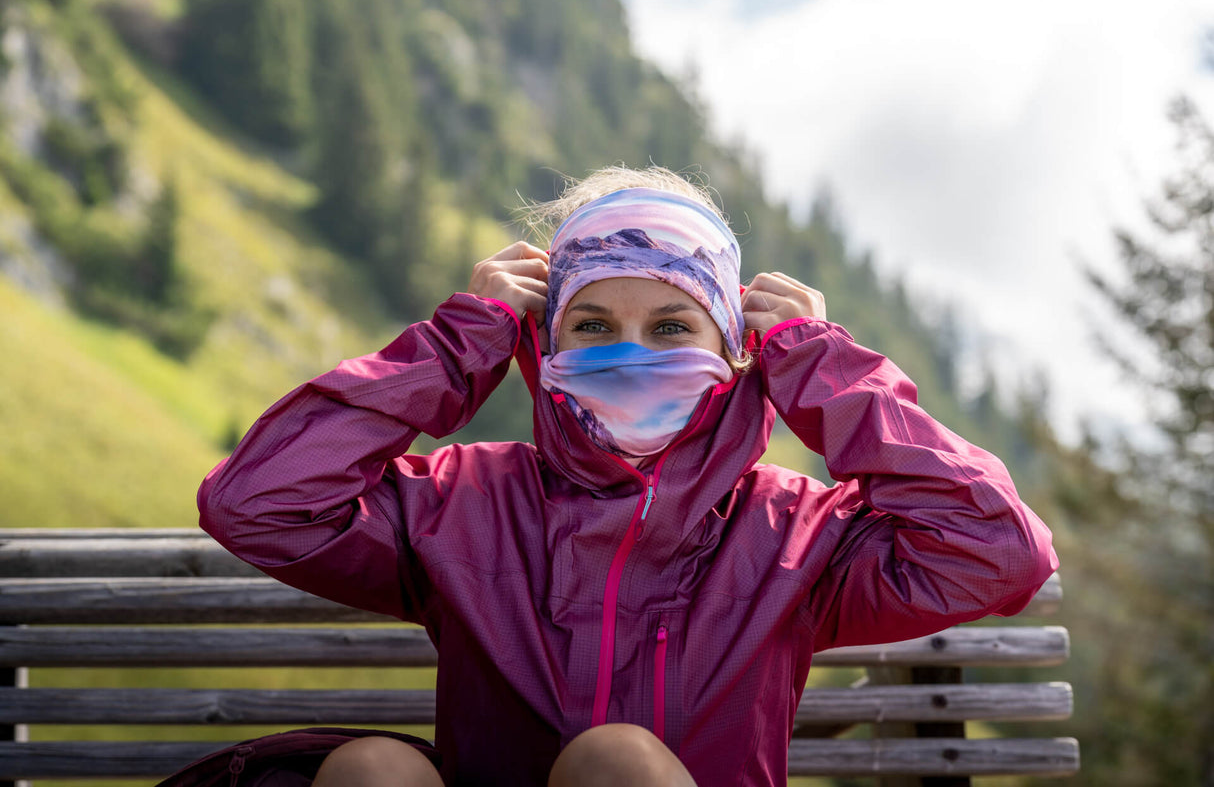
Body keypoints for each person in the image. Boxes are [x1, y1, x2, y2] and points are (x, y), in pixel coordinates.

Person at [198, 166, 1058, 787]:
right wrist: (460, 343)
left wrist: (820, 366)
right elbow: (257, 502)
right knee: (373, 771)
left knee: (616, 763)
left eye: (673, 325)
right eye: (595, 323)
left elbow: (999, 550)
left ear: (735, 351)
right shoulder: (461, 504)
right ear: (546, 345)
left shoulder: (798, 536)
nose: (629, 354)